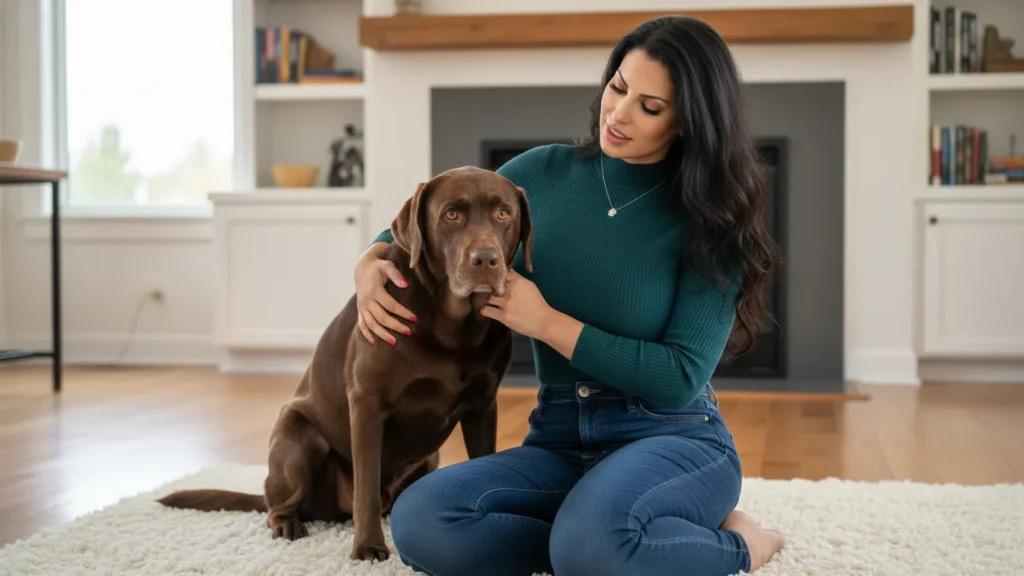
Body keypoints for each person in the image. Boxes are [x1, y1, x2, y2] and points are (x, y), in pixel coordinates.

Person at [351, 15, 785, 576]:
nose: (619, 114)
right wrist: (367, 263)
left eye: (650, 108)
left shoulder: (711, 220)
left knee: (590, 545)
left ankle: (744, 544)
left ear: (689, 123)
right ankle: (604, 542)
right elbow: (417, 228)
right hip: (560, 436)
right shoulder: (540, 173)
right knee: (423, 518)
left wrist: (548, 323)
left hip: (673, 436)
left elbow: (681, 375)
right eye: (618, 88)